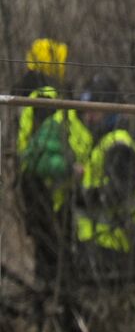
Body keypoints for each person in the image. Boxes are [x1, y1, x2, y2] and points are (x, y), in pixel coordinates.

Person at [14, 38, 90, 290]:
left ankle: (47, 305)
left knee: (46, 260)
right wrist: (69, 169)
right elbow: (41, 155)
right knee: (56, 260)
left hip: (35, 188)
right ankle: (55, 310)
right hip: (46, 191)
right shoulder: (46, 99)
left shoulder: (27, 96)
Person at [73, 76, 135, 264]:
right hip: (112, 242)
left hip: (117, 245)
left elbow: (120, 191)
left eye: (94, 111)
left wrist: (83, 197)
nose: (88, 117)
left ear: (110, 109)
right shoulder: (106, 141)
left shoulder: (118, 143)